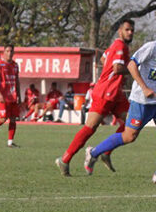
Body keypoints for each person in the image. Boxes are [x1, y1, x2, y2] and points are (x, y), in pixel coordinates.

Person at [84, 18, 156, 185]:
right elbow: (131, 65)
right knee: (129, 136)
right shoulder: (151, 48)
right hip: (141, 100)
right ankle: (93, 152)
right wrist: (144, 88)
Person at [55, 18, 134, 176]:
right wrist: (135, 68)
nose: (130, 32)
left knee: (131, 124)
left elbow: (103, 59)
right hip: (105, 93)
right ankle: (65, 159)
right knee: (90, 128)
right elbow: (117, 68)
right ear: (120, 31)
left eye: (132, 30)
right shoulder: (119, 45)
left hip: (116, 92)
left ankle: (105, 151)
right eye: (127, 29)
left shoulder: (115, 46)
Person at [0, 44, 21, 148]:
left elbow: (17, 80)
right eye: (7, 51)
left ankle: (10, 143)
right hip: (3, 96)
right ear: (4, 52)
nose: (9, 53)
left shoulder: (15, 65)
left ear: (13, 53)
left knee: (13, 119)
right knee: (3, 118)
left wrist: (18, 94)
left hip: (13, 95)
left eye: (11, 51)